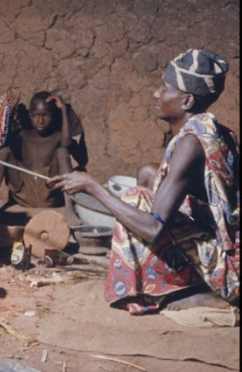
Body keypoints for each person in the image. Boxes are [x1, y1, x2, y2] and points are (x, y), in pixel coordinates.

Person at [48, 49, 239, 315]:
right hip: (221, 242)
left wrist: (93, 187)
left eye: (164, 89)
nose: (156, 94)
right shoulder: (212, 129)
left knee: (135, 198)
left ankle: (208, 292)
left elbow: (153, 229)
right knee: (149, 173)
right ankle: (178, 275)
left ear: (186, 101)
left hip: (231, 270)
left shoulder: (192, 144)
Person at [0, 91, 87, 225]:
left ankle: (69, 209)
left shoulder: (57, 136)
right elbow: (3, 142)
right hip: (23, 193)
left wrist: (63, 110)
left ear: (53, 116)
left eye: (46, 116)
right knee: (3, 152)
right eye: (35, 116)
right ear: (30, 115)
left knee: (62, 152)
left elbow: (67, 143)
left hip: (49, 194)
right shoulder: (23, 134)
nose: (40, 121)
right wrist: (10, 112)